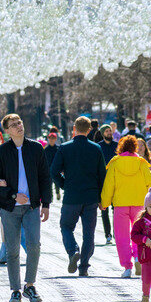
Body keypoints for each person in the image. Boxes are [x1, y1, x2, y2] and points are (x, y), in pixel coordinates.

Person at [0, 114, 51, 302]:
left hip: (32, 207)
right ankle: (15, 290)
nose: (18, 126)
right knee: (12, 250)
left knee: (34, 246)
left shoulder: (35, 148)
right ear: (6, 130)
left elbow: (44, 177)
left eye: (20, 123)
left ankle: (29, 285)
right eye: (13, 125)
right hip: (10, 208)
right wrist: (13, 195)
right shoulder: (0, 152)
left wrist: (46, 203)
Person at [50, 116, 106, 277]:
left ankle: (73, 250)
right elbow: (102, 175)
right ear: (89, 130)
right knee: (89, 233)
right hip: (91, 197)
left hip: (72, 196)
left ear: (74, 128)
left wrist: (64, 185)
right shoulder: (96, 148)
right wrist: (102, 198)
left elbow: (53, 171)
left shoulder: (65, 148)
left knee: (66, 227)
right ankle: (84, 267)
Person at [101, 135, 151, 278]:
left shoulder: (115, 163)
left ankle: (127, 267)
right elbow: (150, 181)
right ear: (135, 147)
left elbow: (109, 185)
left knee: (121, 236)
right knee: (138, 233)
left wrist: (104, 203)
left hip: (121, 205)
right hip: (138, 204)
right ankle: (138, 258)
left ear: (121, 147)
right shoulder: (141, 162)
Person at [98, 124, 118, 244]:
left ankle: (117, 231)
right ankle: (108, 234)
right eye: (106, 131)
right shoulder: (98, 147)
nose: (109, 133)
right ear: (102, 133)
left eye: (110, 131)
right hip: (103, 182)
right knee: (104, 209)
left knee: (117, 209)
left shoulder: (117, 146)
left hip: (116, 181)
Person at [44, 133, 60, 200]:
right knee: (49, 184)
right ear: (48, 139)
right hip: (48, 169)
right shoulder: (46, 149)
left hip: (56, 169)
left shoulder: (58, 149)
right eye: (50, 138)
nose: (51, 140)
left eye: (53, 138)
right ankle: (51, 196)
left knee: (57, 182)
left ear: (55, 139)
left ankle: (57, 193)